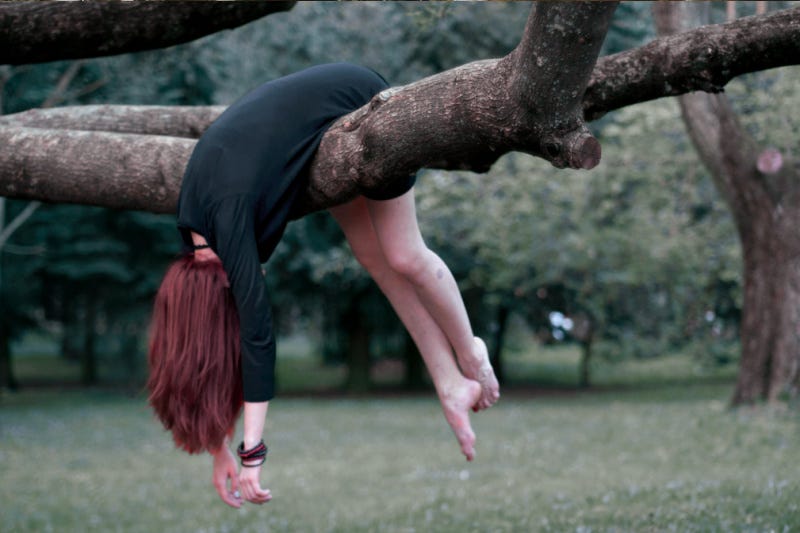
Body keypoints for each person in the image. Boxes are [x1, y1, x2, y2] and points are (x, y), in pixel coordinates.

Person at [147, 63, 500, 508]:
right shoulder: (195, 235)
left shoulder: (228, 224)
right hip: (309, 134)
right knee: (375, 257)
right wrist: (219, 453)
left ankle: (471, 354)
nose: (251, 282)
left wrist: (250, 454)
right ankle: (449, 383)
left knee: (404, 254)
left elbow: (258, 339)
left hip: (354, 95)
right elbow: (206, 353)